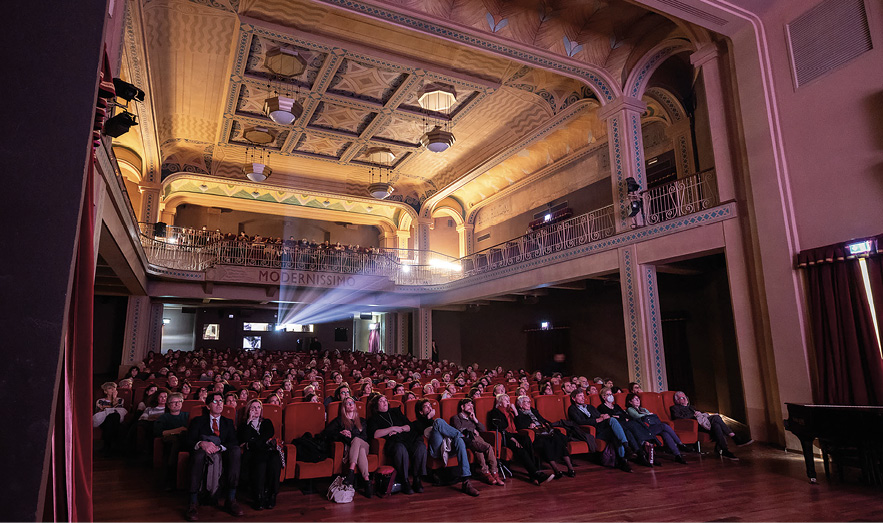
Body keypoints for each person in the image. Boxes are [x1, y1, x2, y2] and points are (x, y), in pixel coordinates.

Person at [185, 391, 243, 521]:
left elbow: (233, 441)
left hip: (222, 450)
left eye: (221, 401)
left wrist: (220, 447)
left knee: (235, 451)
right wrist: (201, 444)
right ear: (208, 406)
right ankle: (192, 502)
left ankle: (231, 499)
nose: (219, 404)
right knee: (198, 455)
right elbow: (189, 440)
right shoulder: (198, 421)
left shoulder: (228, 422)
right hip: (203, 451)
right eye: (215, 401)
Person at [412, 399, 479, 496]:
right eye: (426, 406)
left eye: (430, 405)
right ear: (421, 411)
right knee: (439, 421)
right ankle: (463, 437)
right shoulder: (417, 423)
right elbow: (420, 436)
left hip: (447, 446)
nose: (429, 407)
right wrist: (428, 418)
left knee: (458, 440)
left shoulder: (436, 421)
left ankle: (466, 482)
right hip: (436, 449)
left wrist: (432, 419)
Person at [367, 395, 426, 495]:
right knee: (400, 448)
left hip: (407, 437)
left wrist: (400, 429)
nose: (385, 402)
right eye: (381, 401)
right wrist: (392, 429)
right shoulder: (374, 418)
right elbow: (375, 434)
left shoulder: (395, 411)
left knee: (421, 446)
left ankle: (417, 479)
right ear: (376, 406)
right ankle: (405, 481)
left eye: (386, 400)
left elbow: (409, 426)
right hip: (394, 442)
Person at [487, 394, 552, 485]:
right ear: (500, 402)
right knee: (520, 449)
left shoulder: (511, 412)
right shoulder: (495, 412)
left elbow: (519, 425)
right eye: (506, 400)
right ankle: (534, 474)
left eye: (509, 400)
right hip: (505, 436)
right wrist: (512, 438)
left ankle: (534, 474)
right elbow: (500, 428)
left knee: (527, 440)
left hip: (515, 434)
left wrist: (515, 411)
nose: (508, 402)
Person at [669, 391, 752, 460]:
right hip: (693, 425)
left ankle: (725, 450)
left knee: (717, 425)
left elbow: (701, 416)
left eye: (685, 397)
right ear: (677, 401)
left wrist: (699, 413)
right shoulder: (675, 408)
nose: (685, 399)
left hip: (703, 423)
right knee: (716, 417)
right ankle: (734, 438)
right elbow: (677, 417)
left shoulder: (691, 407)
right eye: (681, 398)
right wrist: (693, 416)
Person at [567, 389, 632, 472]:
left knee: (613, 429)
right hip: (594, 430)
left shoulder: (589, 407)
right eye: (580, 396)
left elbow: (599, 414)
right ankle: (625, 450)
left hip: (602, 427)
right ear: (573, 398)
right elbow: (579, 421)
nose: (583, 398)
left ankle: (623, 459)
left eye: (583, 396)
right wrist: (598, 420)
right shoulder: (572, 409)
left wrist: (603, 415)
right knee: (614, 428)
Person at [322, 396, 373, 498]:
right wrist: (340, 433)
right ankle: (367, 482)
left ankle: (351, 472)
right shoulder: (340, 420)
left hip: (364, 444)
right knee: (361, 451)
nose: (350, 405)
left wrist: (352, 436)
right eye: (347, 403)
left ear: (355, 405)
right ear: (344, 407)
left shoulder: (362, 421)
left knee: (358, 441)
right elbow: (326, 432)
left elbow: (365, 437)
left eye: (352, 403)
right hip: (352, 449)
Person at [513, 396, 575, 478]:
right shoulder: (519, 414)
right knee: (546, 444)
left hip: (545, 431)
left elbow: (544, 420)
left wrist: (546, 424)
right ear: (520, 405)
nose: (529, 403)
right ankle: (556, 470)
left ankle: (570, 468)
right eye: (526, 402)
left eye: (529, 401)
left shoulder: (534, 411)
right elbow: (519, 426)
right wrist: (528, 426)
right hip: (536, 435)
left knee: (558, 439)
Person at [238, 399, 282, 510]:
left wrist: (252, 442)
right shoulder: (244, 425)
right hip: (254, 454)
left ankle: (272, 495)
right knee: (260, 461)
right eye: (253, 407)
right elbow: (244, 438)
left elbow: (267, 435)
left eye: (258, 407)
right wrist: (249, 422)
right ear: (248, 410)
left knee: (275, 458)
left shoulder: (267, 422)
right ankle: (259, 497)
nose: (256, 410)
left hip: (267, 451)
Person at [449, 398, 503, 486]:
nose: (471, 407)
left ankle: (493, 474)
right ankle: (488, 472)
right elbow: (459, 429)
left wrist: (475, 419)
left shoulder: (472, 417)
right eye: (469, 405)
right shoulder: (456, 418)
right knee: (487, 447)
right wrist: (472, 430)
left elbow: (482, 429)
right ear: (462, 407)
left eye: (472, 405)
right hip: (467, 439)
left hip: (477, 438)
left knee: (481, 448)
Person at [597, 387, 655, 467]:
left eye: (611, 394)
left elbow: (626, 416)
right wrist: (620, 417)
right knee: (628, 432)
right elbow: (610, 418)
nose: (611, 396)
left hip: (625, 424)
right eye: (608, 394)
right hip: (615, 427)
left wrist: (619, 416)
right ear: (603, 397)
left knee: (633, 429)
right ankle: (638, 454)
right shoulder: (601, 407)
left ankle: (641, 454)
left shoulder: (616, 406)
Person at [625, 393, 687, 465]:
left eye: (638, 399)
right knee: (664, 426)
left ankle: (677, 455)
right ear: (630, 401)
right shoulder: (630, 409)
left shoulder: (643, 409)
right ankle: (680, 444)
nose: (638, 400)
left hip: (652, 426)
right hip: (644, 429)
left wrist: (648, 414)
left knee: (665, 433)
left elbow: (651, 416)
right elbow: (637, 416)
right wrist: (647, 414)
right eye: (635, 399)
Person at [155, 392, 190, 490]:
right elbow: (160, 432)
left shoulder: (187, 416)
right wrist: (178, 430)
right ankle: (170, 478)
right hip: (170, 440)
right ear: (168, 405)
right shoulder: (164, 417)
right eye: (174, 402)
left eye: (179, 402)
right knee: (175, 443)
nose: (177, 404)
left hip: (185, 439)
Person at [94, 381, 127, 454]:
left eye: (114, 388)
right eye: (110, 388)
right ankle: (112, 447)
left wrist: (114, 398)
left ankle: (107, 446)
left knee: (114, 415)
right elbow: (100, 410)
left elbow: (118, 408)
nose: (113, 390)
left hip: (116, 419)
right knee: (111, 419)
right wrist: (108, 407)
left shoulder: (120, 400)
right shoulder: (100, 400)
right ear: (105, 391)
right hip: (103, 420)